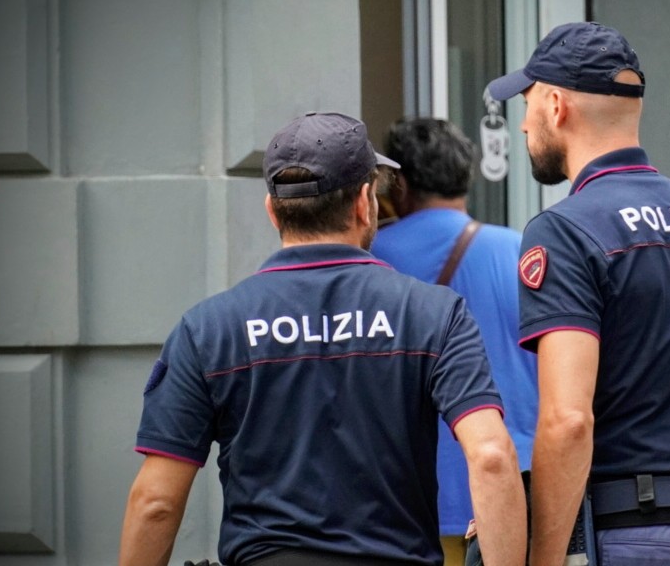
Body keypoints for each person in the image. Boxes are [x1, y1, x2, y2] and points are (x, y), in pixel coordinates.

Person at [119, 112, 527, 566]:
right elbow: (491, 456)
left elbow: (155, 502)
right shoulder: (433, 313)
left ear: (273, 210)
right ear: (364, 202)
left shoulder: (208, 328)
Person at [484, 22, 670, 566]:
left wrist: (544, 558)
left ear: (557, 106)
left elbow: (568, 420)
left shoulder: (563, 232)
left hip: (632, 535)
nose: (522, 125)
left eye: (530, 103)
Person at [371, 118, 538, 560]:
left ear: (399, 183)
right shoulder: (523, 251)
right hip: (515, 498)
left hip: (412, 503)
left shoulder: (372, 258)